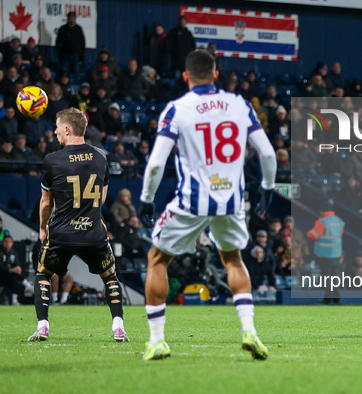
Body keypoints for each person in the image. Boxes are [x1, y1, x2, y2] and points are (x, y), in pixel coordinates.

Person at [137, 50, 276, 361]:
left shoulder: (177, 109)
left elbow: (156, 163)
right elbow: (267, 154)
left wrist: (147, 198)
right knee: (233, 260)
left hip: (192, 201)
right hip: (232, 201)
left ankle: (157, 340)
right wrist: (267, 187)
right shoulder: (239, 104)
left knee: (157, 259)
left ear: (186, 77)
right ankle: (249, 331)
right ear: (216, 74)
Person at [28, 108, 129, 342]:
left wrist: (43, 228)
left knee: (44, 275)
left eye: (56, 127)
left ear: (67, 129)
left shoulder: (52, 160)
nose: (54, 131)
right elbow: (102, 199)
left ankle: (43, 326)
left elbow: (45, 203)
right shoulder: (101, 157)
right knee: (110, 277)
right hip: (93, 233)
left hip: (61, 233)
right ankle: (118, 328)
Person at [306, 200, 345, 304]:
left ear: (322, 211)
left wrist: (309, 232)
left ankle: (328, 298)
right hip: (336, 254)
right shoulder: (339, 221)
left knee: (327, 277)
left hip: (324, 254)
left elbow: (313, 235)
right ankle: (337, 298)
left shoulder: (322, 222)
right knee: (335, 276)